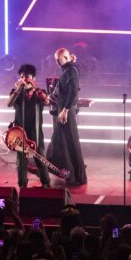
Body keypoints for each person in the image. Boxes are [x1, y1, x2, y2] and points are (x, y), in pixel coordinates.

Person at [46, 48, 87, 187]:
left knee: (68, 142)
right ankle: (71, 176)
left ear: (65, 57)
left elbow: (73, 92)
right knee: (63, 142)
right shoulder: (66, 70)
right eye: (56, 60)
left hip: (66, 111)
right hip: (62, 110)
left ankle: (74, 177)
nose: (57, 62)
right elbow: (61, 91)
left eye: (59, 59)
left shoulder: (71, 70)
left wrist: (65, 109)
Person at [6, 63, 51, 189]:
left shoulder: (39, 92)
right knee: (21, 161)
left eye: (27, 76)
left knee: (40, 158)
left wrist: (35, 89)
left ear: (34, 78)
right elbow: (8, 104)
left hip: (35, 132)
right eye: (21, 76)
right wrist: (17, 90)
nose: (24, 79)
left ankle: (46, 184)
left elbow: (47, 101)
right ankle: (22, 186)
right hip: (20, 132)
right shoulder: (16, 92)